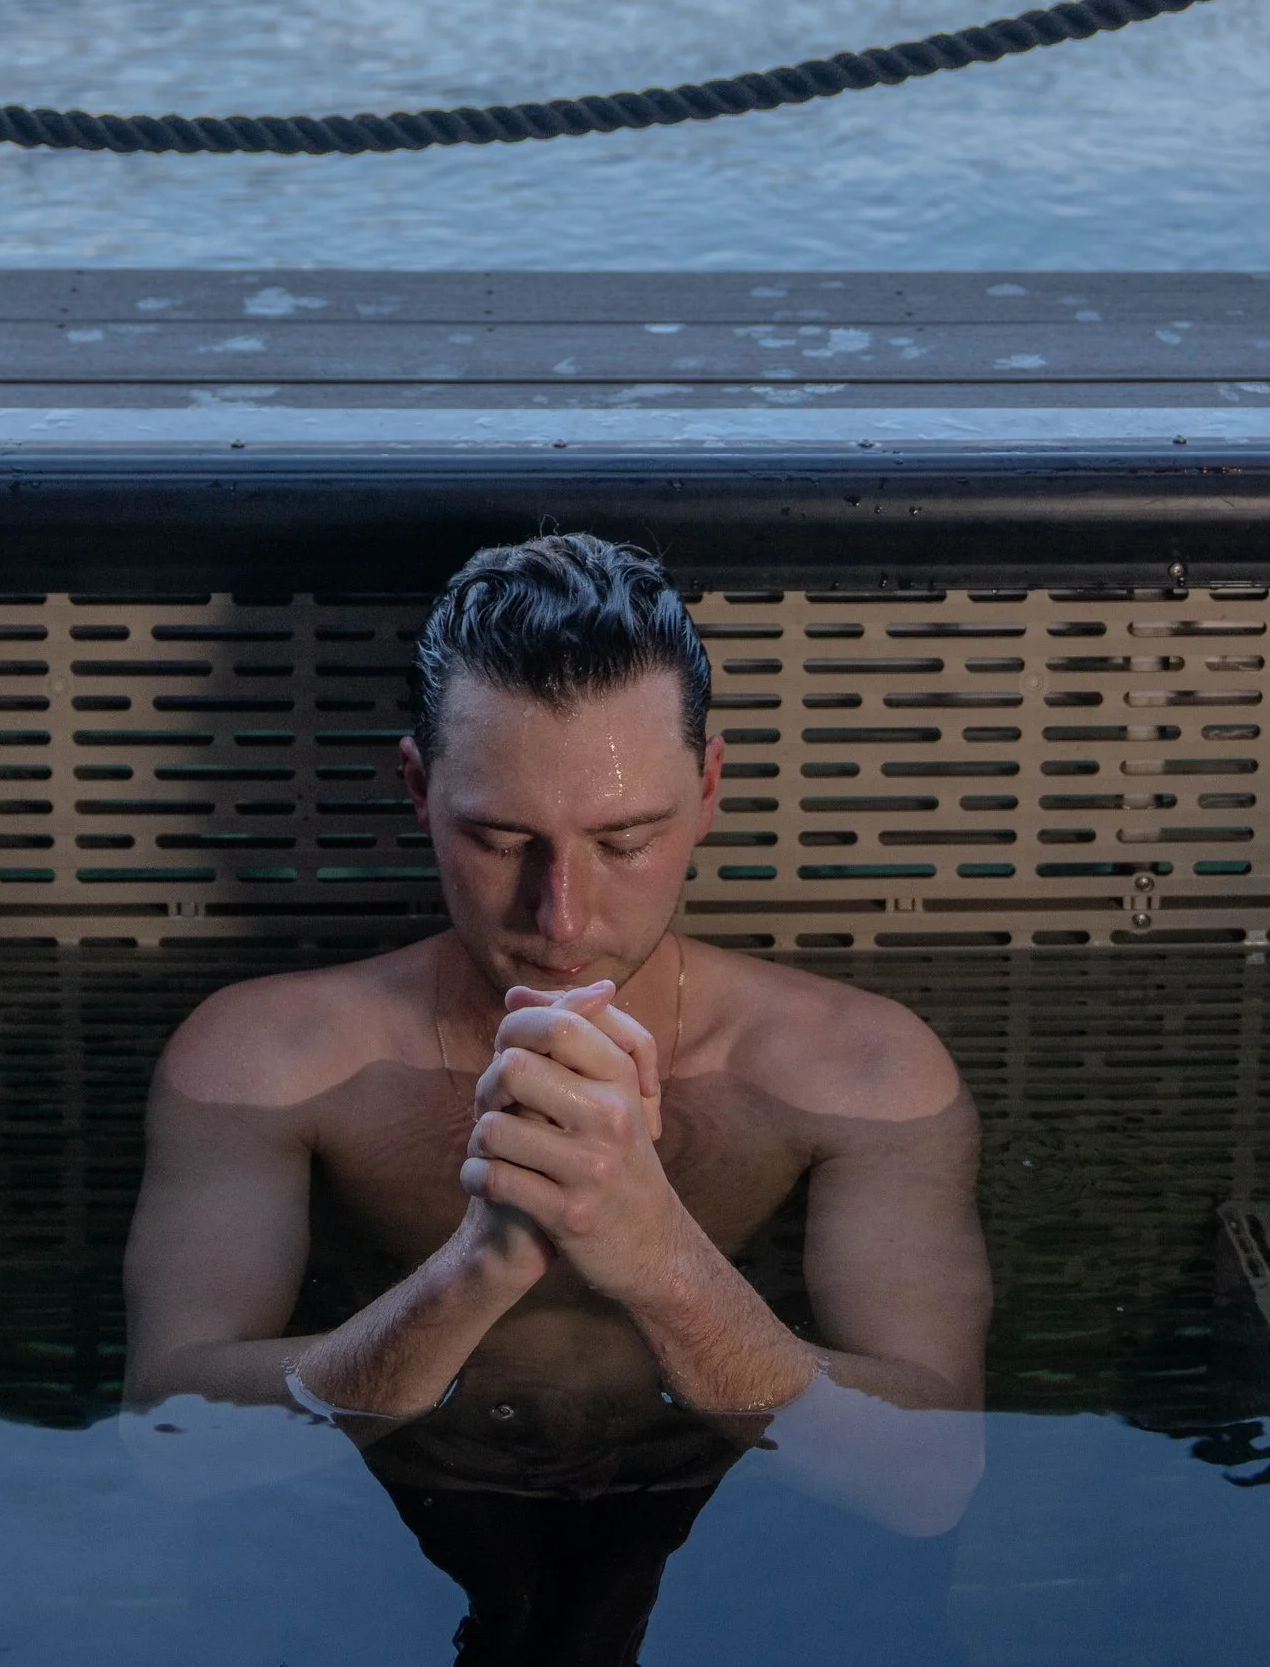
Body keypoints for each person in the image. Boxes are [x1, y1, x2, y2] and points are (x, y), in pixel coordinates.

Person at [124, 532, 991, 1664]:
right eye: (499, 838)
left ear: (709, 791)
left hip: (728, 1536)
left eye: (624, 840)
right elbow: (170, 1443)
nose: (562, 914)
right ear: (419, 790)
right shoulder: (265, 1059)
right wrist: (471, 1273)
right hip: (386, 1528)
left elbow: (925, 1483)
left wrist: (659, 1260)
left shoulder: (860, 1074)